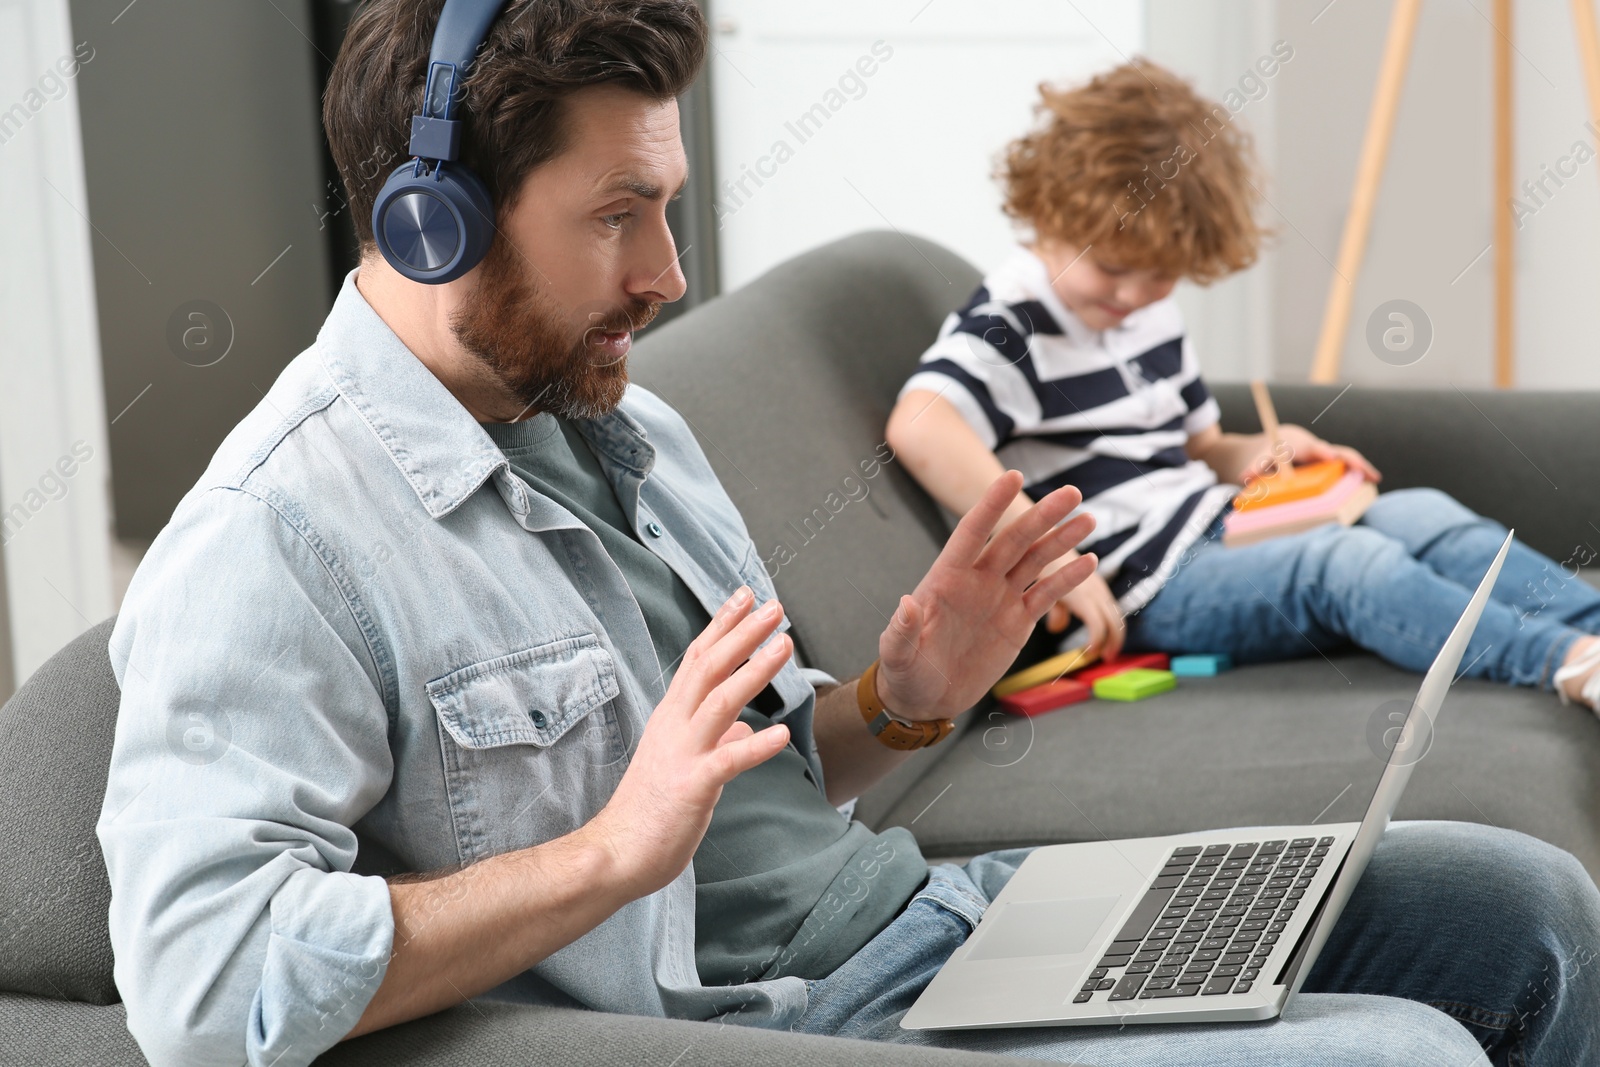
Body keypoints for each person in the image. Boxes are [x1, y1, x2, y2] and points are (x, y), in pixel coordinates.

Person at [94, 7, 1597, 1066]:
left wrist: (901, 698)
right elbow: (206, 986)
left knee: (1522, 901)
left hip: (938, 912)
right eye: (620, 213)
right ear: (438, 218)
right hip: (813, 1021)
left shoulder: (628, 425)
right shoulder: (277, 539)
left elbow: (768, 780)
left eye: (671, 206)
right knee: (1401, 1048)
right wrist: (610, 852)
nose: (671, 272)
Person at [886, 60, 1600, 714]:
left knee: (1420, 513)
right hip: (1149, 586)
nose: (1133, 295)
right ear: (1049, 213)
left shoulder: (1147, 314)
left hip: (1222, 522)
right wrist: (1056, 561)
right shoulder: (1013, 322)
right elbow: (920, 424)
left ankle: (1592, 627)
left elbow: (1200, 443)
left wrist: (1258, 449)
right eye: (1110, 267)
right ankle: (1566, 663)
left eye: (1158, 273)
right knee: (1345, 565)